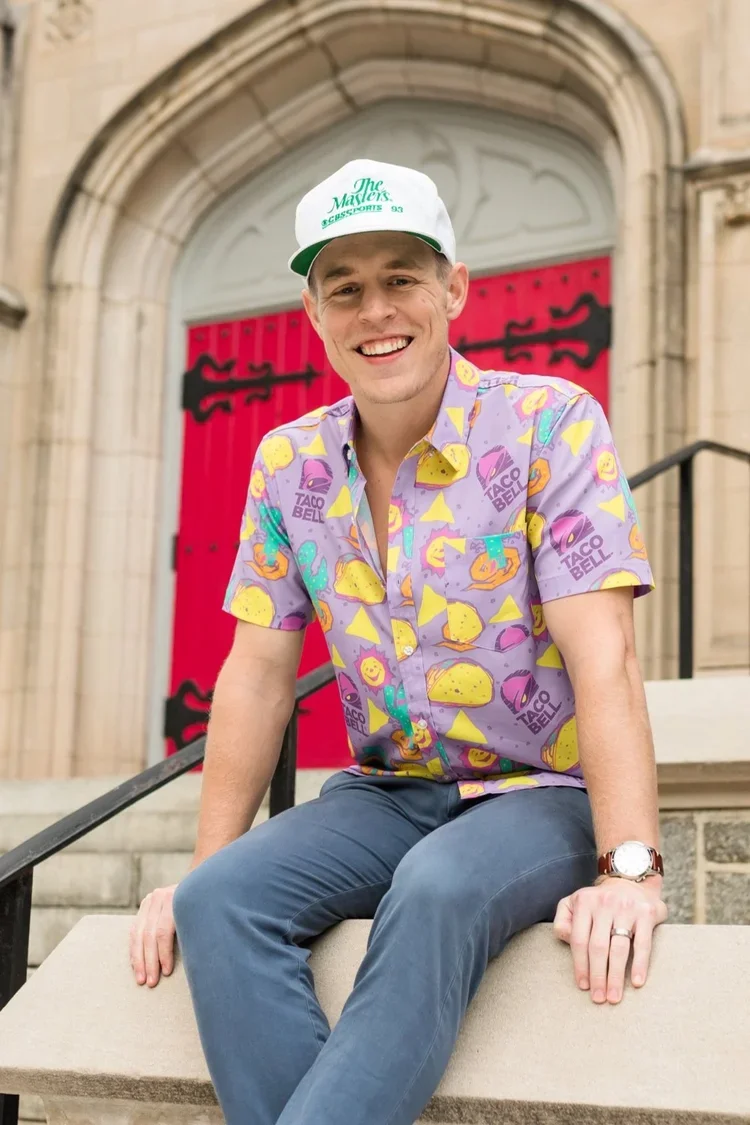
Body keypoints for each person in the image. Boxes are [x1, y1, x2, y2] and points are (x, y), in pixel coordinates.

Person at [130, 159, 668, 1125]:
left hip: (538, 793)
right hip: (385, 795)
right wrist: (205, 865)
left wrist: (629, 866)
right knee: (220, 905)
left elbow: (607, 657)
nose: (376, 311)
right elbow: (256, 673)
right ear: (315, 313)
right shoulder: (289, 463)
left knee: (435, 888)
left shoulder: (550, 425)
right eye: (346, 288)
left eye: (402, 279)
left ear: (453, 288)